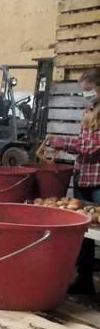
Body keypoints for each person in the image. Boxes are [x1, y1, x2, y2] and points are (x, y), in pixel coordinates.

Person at [47, 68, 100, 294]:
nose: (85, 95)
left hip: (98, 181)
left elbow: (90, 147)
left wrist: (60, 142)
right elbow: (83, 141)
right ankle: (84, 280)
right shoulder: (89, 110)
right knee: (84, 234)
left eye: (88, 90)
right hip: (83, 178)